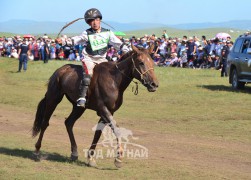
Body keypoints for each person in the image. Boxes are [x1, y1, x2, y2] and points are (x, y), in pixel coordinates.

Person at [71, 8, 122, 107]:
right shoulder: (86, 33)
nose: (94, 23)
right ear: (89, 23)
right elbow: (77, 39)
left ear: (100, 20)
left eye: (96, 20)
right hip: (89, 58)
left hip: (102, 59)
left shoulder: (108, 33)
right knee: (88, 73)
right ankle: (82, 97)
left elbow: (118, 43)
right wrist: (64, 41)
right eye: (91, 21)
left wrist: (129, 49)